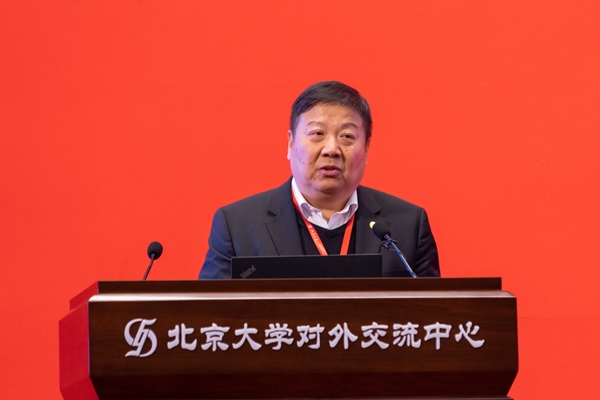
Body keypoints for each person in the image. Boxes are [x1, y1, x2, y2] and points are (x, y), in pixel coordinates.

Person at [199, 81, 439, 279]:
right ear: (291, 143)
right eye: (317, 134)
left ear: (366, 148)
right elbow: (208, 316)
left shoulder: (408, 225)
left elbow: (433, 316)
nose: (331, 149)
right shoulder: (238, 226)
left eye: (347, 136)